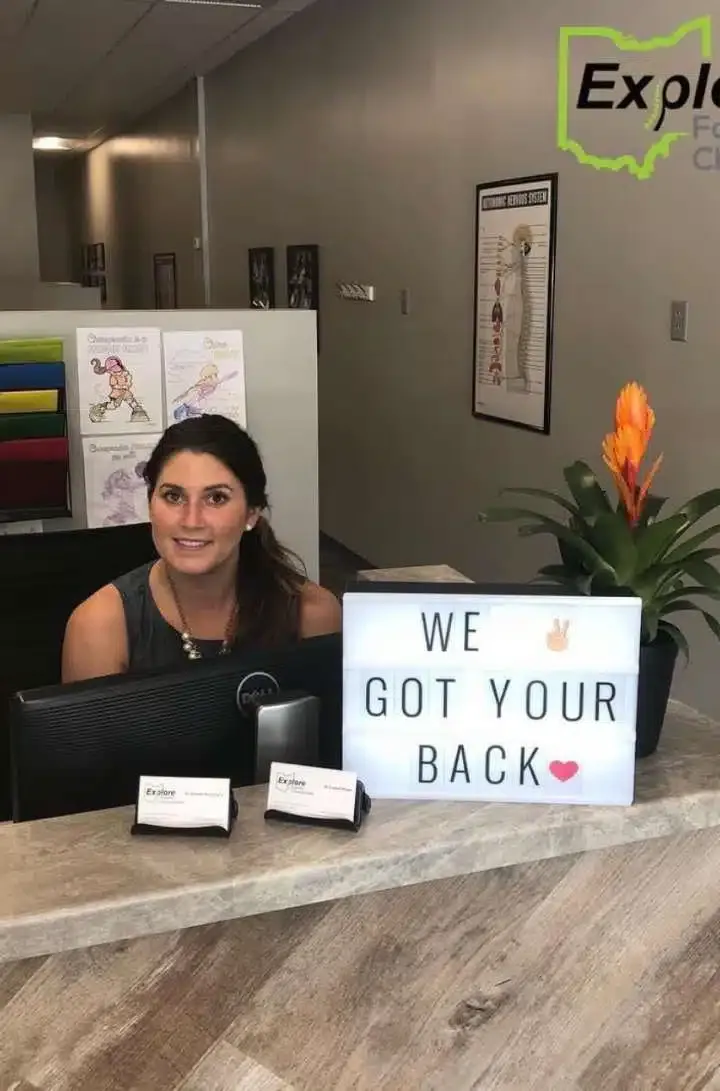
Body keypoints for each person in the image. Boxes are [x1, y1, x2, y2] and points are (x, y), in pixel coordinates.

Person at [62, 415, 341, 683]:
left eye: (216, 498)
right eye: (173, 496)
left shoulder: (313, 614)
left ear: (251, 514)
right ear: (150, 505)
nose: (191, 520)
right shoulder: (97, 626)